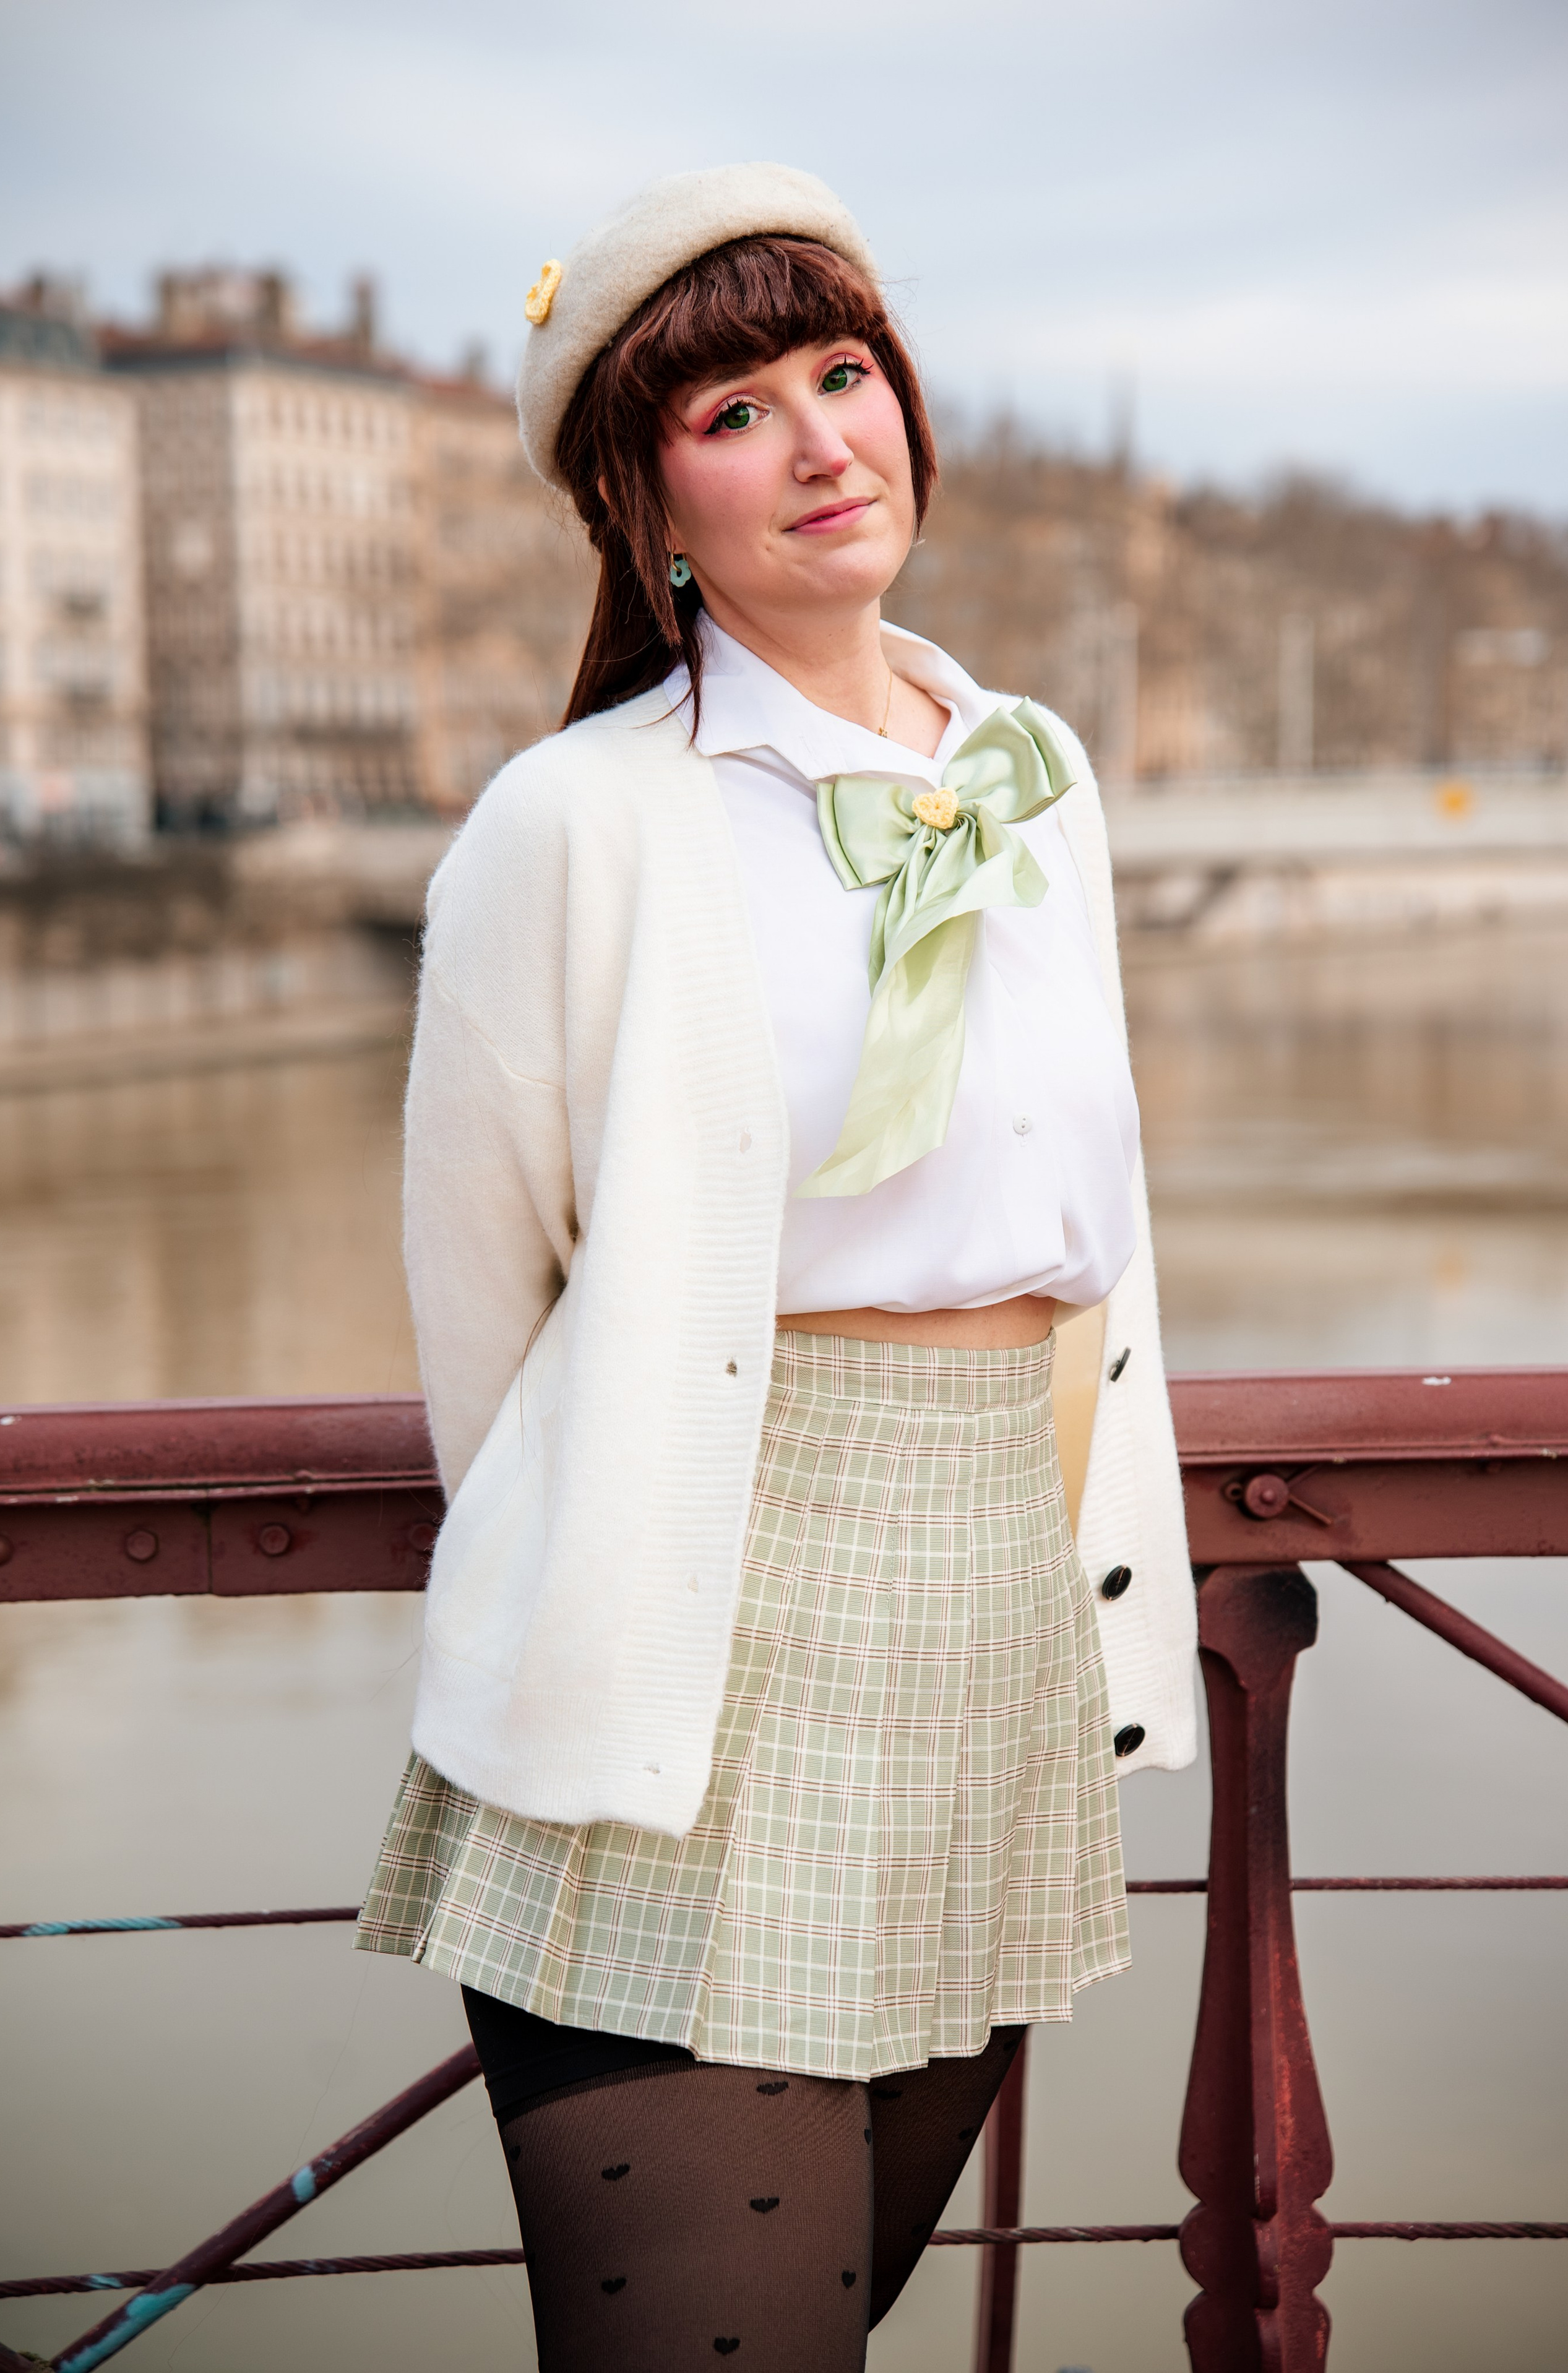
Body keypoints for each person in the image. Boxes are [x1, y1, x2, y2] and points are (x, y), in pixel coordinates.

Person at [356, 163, 1195, 2371]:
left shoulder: (1034, 778)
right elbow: (482, 1299)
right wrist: (603, 1588)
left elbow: (1087, 1243)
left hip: (989, 1614)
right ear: (645, 501)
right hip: (700, 1634)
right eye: (738, 409)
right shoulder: (580, 820)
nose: (826, 441)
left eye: (848, 375)